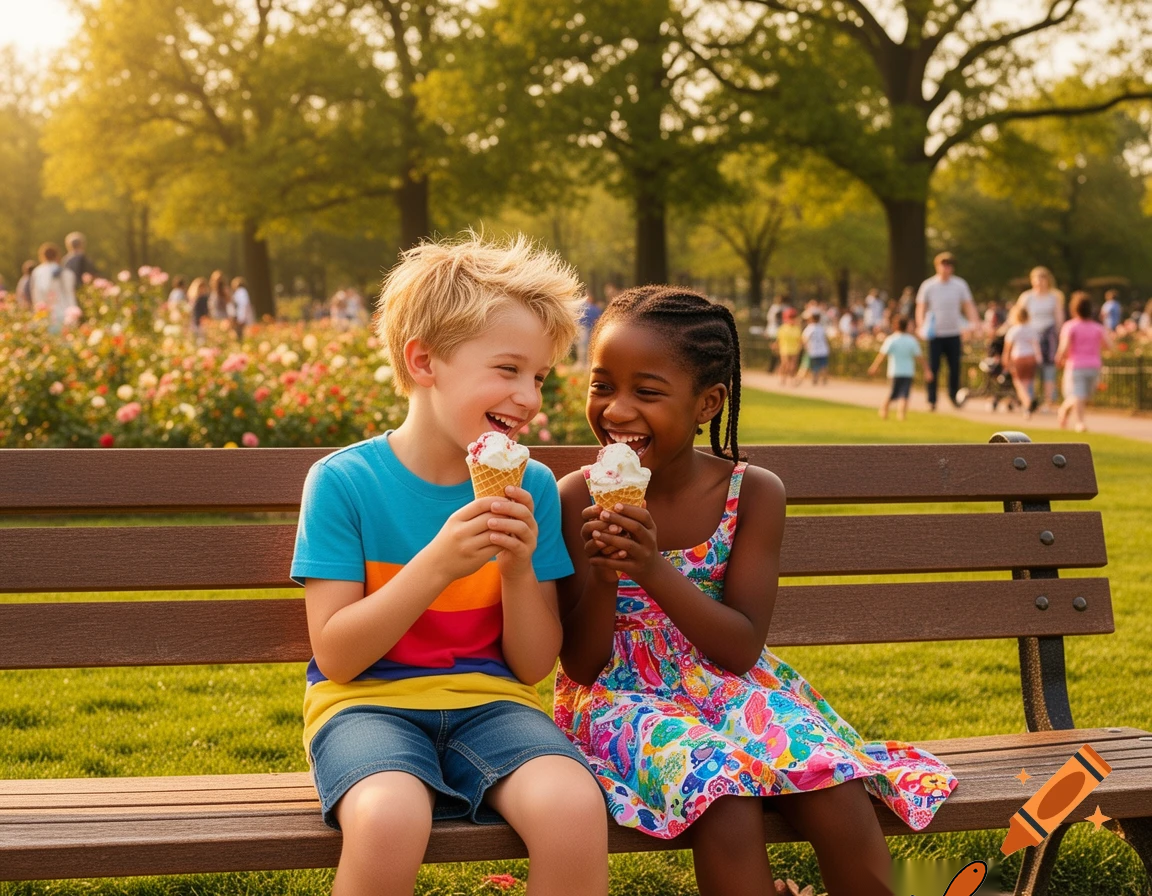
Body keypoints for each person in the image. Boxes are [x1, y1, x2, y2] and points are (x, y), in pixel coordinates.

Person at [554, 286, 955, 896]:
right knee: (727, 795)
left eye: (648, 391)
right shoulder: (576, 497)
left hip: (732, 683)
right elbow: (582, 665)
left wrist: (653, 568)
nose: (616, 410)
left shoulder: (753, 493)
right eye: (602, 385)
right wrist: (608, 575)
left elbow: (739, 648)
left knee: (834, 785)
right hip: (619, 701)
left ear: (707, 403)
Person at [290, 235, 608, 896]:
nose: (529, 397)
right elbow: (339, 656)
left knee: (574, 808)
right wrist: (434, 565)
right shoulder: (344, 483)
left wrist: (520, 570)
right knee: (389, 818)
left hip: (490, 703)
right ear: (425, 360)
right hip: (364, 708)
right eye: (508, 369)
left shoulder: (533, 487)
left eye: (539, 377)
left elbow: (530, 665)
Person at [915, 252, 980, 410]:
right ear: (937, 266)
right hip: (935, 333)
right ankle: (932, 399)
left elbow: (968, 305)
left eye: (948, 265)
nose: (945, 268)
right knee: (933, 368)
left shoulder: (959, 285)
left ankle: (953, 395)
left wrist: (975, 323)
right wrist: (921, 326)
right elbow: (921, 308)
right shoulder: (928, 285)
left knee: (954, 367)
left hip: (953, 332)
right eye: (943, 265)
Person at [1056, 291, 1112, 433]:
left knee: (1081, 395)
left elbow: (1064, 346)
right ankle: (1080, 423)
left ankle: (1064, 409)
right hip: (1089, 365)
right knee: (1080, 395)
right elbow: (1109, 345)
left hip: (1078, 365)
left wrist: (1059, 358)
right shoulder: (1097, 328)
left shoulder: (1070, 326)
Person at [1013, 266, 1065, 411]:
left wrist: (1060, 337)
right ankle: (1029, 401)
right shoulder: (1026, 297)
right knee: (1029, 370)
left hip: (1048, 336)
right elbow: (1018, 316)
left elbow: (1058, 318)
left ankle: (1048, 401)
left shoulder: (1054, 297)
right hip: (1030, 336)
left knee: (1048, 368)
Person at [867, 315, 932, 421]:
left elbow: (882, 356)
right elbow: (920, 358)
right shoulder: (911, 341)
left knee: (893, 393)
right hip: (907, 372)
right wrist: (927, 370)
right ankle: (901, 414)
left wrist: (874, 367)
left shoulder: (891, 340)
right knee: (904, 394)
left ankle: (886, 410)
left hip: (894, 371)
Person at [1001, 305, 1042, 419]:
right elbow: (1036, 346)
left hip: (1018, 358)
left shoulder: (1013, 330)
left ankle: (1027, 403)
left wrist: (1006, 361)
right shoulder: (1032, 330)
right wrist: (1038, 358)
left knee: (1019, 384)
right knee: (1029, 382)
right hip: (1031, 357)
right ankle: (1028, 404)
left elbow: (1007, 349)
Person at [29, 243, 80, 333]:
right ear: (57, 256)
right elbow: (70, 293)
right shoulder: (66, 272)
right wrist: (73, 310)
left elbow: (36, 294)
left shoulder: (38, 272)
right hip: (65, 312)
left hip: (47, 313)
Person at [62, 231, 97, 319]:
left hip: (70, 293)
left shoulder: (65, 261)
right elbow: (93, 275)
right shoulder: (84, 258)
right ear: (82, 244)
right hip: (84, 293)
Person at [798, 309, 830, 385]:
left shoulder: (810, 328)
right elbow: (825, 339)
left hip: (812, 350)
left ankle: (798, 380)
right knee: (823, 366)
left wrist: (805, 348)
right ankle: (823, 381)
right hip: (822, 350)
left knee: (805, 366)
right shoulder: (821, 328)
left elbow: (804, 339)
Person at [773, 306, 802, 385]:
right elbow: (778, 339)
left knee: (793, 365)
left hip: (794, 349)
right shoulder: (783, 328)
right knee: (785, 365)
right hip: (785, 349)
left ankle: (792, 380)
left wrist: (800, 346)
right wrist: (776, 345)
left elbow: (799, 340)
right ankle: (783, 379)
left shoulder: (797, 328)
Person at [576, 292, 603, 366]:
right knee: (583, 346)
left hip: (590, 328)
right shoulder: (585, 307)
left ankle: (587, 363)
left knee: (587, 346)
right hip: (584, 328)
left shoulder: (594, 308)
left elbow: (598, 318)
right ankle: (582, 363)